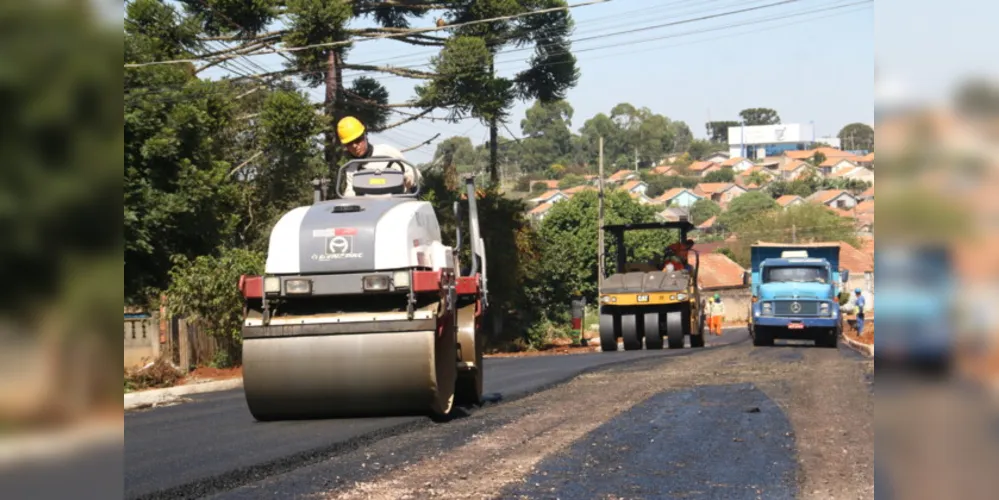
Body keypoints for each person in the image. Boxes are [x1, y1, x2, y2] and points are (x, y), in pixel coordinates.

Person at [337, 116, 421, 197]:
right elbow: (350, 193)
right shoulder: (352, 167)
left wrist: (410, 177)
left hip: (397, 203)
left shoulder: (386, 151)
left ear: (365, 135)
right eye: (349, 143)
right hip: (371, 207)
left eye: (358, 140)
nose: (355, 146)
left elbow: (415, 173)